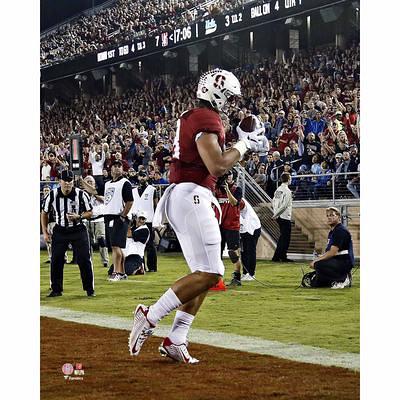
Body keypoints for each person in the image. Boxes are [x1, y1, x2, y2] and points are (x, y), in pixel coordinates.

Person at [127, 68, 262, 363]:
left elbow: (214, 169)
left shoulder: (198, 117)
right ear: (218, 93)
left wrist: (238, 147)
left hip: (189, 194)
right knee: (211, 273)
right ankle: (149, 316)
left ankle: (176, 339)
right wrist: (244, 144)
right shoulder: (205, 118)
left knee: (204, 273)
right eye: (228, 96)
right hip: (191, 196)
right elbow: (216, 165)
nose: (230, 102)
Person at [41, 170, 95, 297]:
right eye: (65, 180)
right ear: (60, 181)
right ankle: (56, 289)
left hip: (78, 229)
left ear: (73, 181)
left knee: (84, 259)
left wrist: (79, 216)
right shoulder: (52, 195)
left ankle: (89, 289)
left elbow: (90, 212)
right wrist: (45, 232)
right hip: (60, 230)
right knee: (56, 259)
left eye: (70, 181)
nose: (67, 183)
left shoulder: (81, 194)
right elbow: (44, 213)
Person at [308, 207, 354, 289]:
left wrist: (316, 260)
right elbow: (329, 251)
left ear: (338, 217)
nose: (329, 217)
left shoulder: (340, 230)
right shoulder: (333, 231)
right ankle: (332, 280)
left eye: (332, 215)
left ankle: (343, 278)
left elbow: (332, 252)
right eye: (327, 215)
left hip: (343, 261)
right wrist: (320, 257)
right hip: (337, 260)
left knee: (318, 264)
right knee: (316, 283)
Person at [103, 160, 134, 281]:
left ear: (122, 169)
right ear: (111, 169)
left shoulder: (125, 182)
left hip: (117, 217)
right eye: (115, 166)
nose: (117, 168)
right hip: (109, 216)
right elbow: (106, 199)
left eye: (119, 166)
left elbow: (130, 201)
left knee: (115, 246)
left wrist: (122, 216)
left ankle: (116, 272)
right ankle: (122, 272)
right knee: (116, 246)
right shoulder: (107, 184)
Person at [215, 170, 245, 286]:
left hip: (232, 225)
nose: (228, 177)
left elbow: (234, 203)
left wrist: (227, 189)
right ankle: (217, 279)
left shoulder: (237, 190)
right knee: (217, 254)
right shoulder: (217, 190)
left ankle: (237, 277)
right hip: (219, 225)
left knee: (233, 253)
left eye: (230, 174)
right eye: (226, 175)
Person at [130, 171, 159, 272]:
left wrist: (156, 220)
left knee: (150, 245)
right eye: (140, 176)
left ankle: (152, 267)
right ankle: (140, 266)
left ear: (147, 177)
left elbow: (156, 206)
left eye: (144, 176)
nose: (142, 178)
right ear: (137, 177)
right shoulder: (133, 190)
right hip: (136, 220)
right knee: (138, 245)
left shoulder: (152, 189)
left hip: (149, 220)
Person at [80, 175, 109, 269]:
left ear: (94, 184)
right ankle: (89, 260)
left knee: (102, 240)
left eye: (91, 182)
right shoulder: (81, 195)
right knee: (87, 242)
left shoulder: (99, 192)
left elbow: (106, 201)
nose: (89, 183)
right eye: (87, 182)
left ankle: (105, 261)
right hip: (86, 220)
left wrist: (94, 194)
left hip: (99, 219)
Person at [271, 172, 293, 262]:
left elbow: (273, 202)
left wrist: (275, 213)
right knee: (285, 238)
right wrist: (275, 215)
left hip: (279, 216)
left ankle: (279, 256)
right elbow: (284, 206)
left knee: (282, 237)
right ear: (288, 180)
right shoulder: (287, 191)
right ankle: (279, 256)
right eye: (290, 178)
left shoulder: (278, 190)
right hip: (284, 216)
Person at [240, 199, 261, 281]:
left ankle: (252, 274)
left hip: (252, 228)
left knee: (251, 251)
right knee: (243, 252)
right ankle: (245, 273)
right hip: (243, 229)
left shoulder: (241, 202)